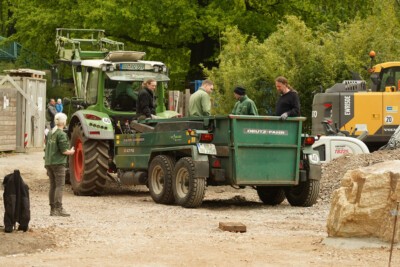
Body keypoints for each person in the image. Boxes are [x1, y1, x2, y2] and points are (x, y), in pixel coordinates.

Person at [44, 113, 75, 217]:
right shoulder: (61, 134)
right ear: (64, 122)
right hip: (58, 163)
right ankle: (59, 208)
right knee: (59, 186)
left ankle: (52, 209)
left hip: (49, 162)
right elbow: (64, 151)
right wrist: (71, 152)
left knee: (53, 185)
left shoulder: (50, 133)